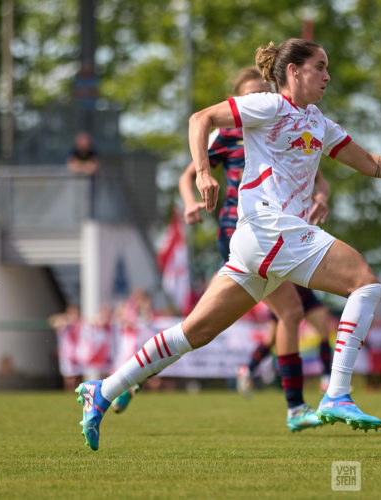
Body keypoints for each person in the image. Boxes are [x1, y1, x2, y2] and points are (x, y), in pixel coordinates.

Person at [75, 38, 381, 451]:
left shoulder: (318, 121)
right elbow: (200, 119)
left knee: (194, 331)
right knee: (365, 282)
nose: (327, 75)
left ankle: (102, 391)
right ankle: (336, 393)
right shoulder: (268, 105)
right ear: (294, 71)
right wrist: (202, 173)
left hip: (261, 242)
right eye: (320, 66)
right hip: (268, 228)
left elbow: (371, 163)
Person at [112, 68, 329, 432]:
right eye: (247, 97)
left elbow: (319, 178)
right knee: (291, 313)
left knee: (200, 327)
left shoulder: (284, 127)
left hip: (282, 231)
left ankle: (130, 378)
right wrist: (190, 199)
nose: (255, 101)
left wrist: (321, 197)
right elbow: (187, 175)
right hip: (242, 232)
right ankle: (296, 406)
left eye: (261, 93)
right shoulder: (227, 133)